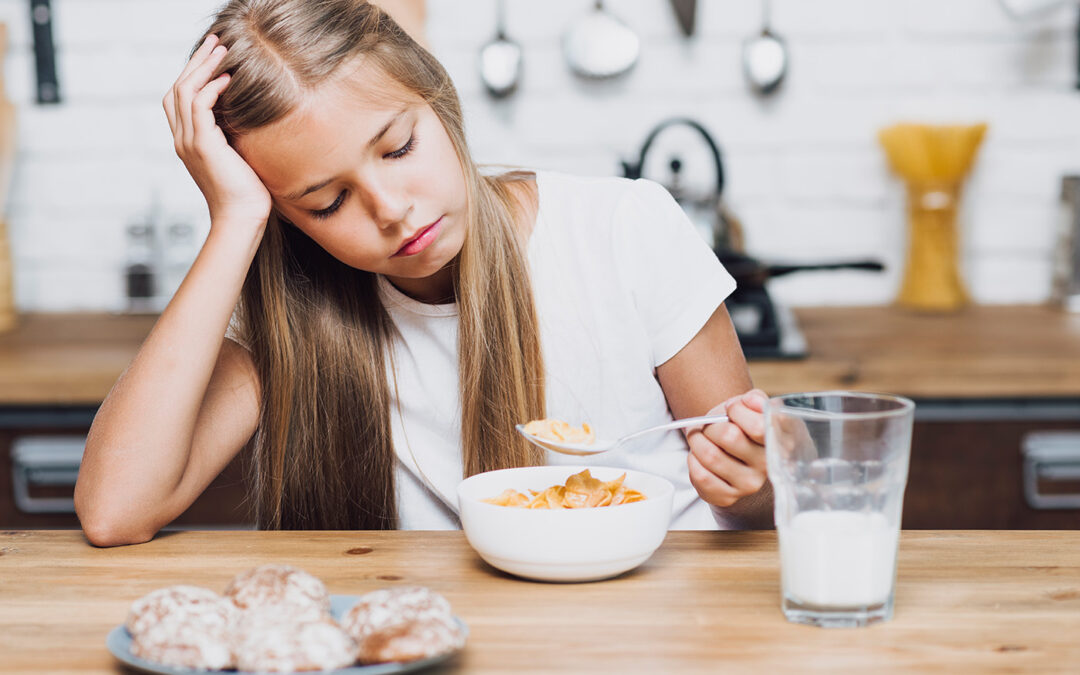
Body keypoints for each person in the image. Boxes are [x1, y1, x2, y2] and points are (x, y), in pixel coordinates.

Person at [73, 0, 772, 546]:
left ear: (437, 99)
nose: (390, 209)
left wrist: (754, 480)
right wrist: (233, 223)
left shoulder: (624, 228)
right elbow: (114, 510)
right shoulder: (289, 311)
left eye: (400, 146)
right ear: (287, 218)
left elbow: (755, 503)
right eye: (328, 201)